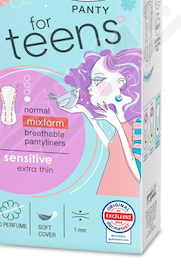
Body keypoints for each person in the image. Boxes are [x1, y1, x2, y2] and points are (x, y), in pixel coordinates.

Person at [59, 49, 142, 197]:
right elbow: (112, 148)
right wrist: (85, 111)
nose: (90, 87)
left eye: (97, 80)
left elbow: (138, 174)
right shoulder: (120, 119)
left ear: (120, 82)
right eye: (91, 80)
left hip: (126, 194)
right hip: (107, 191)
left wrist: (118, 126)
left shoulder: (138, 122)